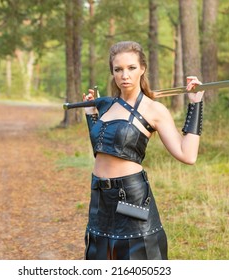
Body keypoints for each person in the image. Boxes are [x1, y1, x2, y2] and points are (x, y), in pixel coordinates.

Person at [82, 41, 204, 260]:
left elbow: (188, 155)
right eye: (118, 69)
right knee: (100, 257)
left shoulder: (153, 109)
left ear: (142, 69)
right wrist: (91, 115)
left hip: (130, 198)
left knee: (138, 253)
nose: (124, 75)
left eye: (131, 68)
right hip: (99, 197)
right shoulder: (107, 106)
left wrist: (195, 104)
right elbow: (103, 150)